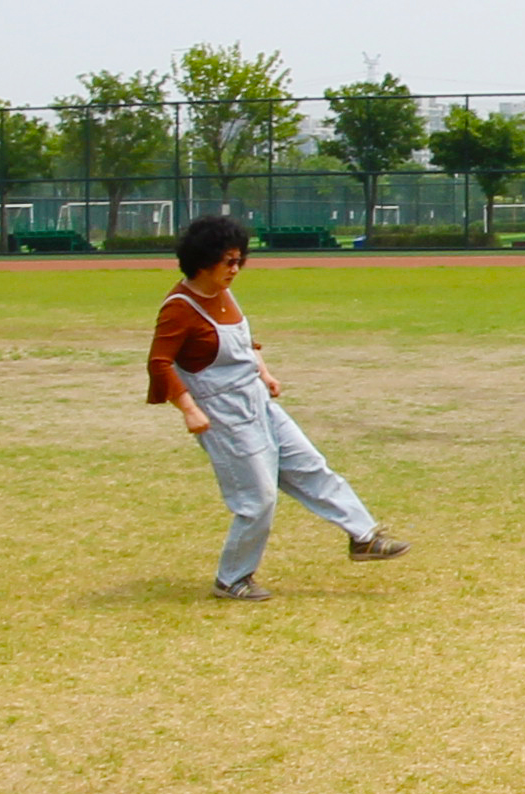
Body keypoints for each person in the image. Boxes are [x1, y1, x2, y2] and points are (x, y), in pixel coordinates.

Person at [149, 212, 404, 600]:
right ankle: (232, 579)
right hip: (223, 414)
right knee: (258, 499)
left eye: (240, 260)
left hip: (255, 400)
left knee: (309, 465)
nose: (236, 269)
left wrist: (265, 373)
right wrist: (188, 407)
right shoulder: (179, 308)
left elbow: (245, 342)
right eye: (228, 261)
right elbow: (159, 363)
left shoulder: (224, 293)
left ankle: (363, 536)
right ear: (203, 260)